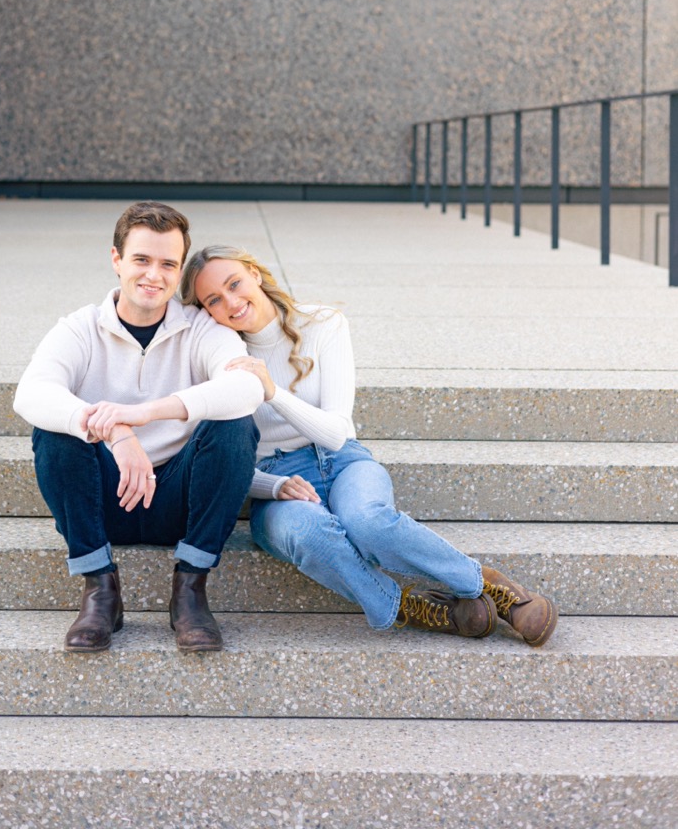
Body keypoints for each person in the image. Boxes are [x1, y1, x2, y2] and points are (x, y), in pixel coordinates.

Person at [181, 244, 558, 647]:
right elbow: (214, 456)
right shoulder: (217, 355)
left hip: (342, 462)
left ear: (255, 274)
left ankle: (488, 585)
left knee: (369, 521)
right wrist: (270, 486)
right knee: (309, 534)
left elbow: (336, 432)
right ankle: (407, 607)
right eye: (214, 300)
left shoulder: (323, 324)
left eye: (235, 284)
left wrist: (271, 392)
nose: (232, 303)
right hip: (275, 482)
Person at [14, 203, 263, 655]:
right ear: (117, 260)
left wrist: (143, 414)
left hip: (179, 502)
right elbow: (30, 394)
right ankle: (100, 591)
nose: (154, 275)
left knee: (234, 425)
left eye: (168, 264)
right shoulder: (80, 328)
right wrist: (115, 435)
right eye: (142, 260)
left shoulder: (201, 330)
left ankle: (190, 591)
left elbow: (246, 387)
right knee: (53, 430)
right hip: (103, 499)